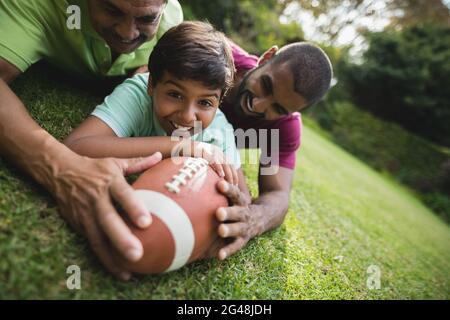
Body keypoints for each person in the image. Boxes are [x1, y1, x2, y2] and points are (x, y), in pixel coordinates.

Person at [0, 0, 183, 280]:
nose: (127, 32)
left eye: (146, 19)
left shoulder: (171, 22)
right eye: (112, 10)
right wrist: (62, 168)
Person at [64, 21, 247, 192]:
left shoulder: (219, 131)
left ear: (219, 103)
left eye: (205, 102)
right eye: (175, 95)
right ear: (152, 84)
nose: (187, 116)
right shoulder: (138, 93)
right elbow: (76, 146)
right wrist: (181, 146)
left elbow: (242, 195)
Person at [212, 41, 333, 261]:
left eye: (277, 108)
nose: (258, 105)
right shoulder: (218, 55)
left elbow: (278, 194)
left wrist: (255, 217)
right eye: (266, 86)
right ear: (266, 58)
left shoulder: (284, 128)